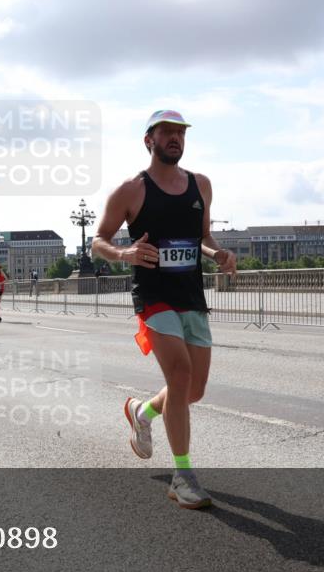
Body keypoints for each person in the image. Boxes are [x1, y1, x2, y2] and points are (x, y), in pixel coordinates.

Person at [91, 109, 236, 510]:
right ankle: (183, 475)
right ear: (148, 140)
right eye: (166, 132)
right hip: (153, 295)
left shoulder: (200, 185)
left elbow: (202, 235)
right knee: (180, 373)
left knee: (193, 389)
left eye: (180, 133)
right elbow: (97, 241)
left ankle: (143, 412)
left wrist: (217, 253)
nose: (175, 138)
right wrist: (125, 252)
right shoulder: (131, 190)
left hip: (191, 294)